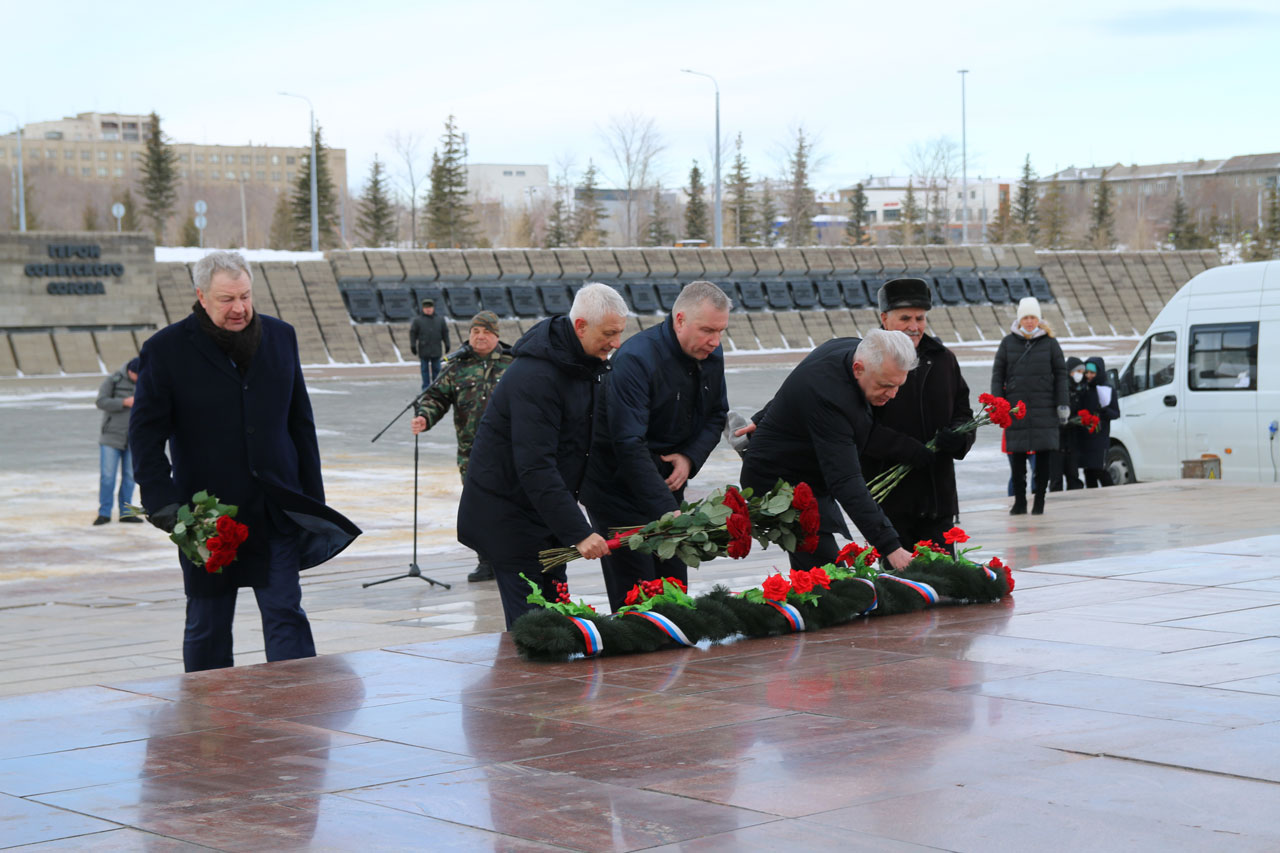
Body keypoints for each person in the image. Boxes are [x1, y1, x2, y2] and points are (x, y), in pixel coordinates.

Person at [130, 250, 360, 672]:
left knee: (286, 613)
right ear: (201, 296)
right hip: (208, 516)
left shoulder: (280, 336)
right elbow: (144, 436)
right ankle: (206, 719)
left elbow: (300, 424)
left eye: (245, 296)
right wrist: (163, 503)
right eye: (226, 299)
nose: (239, 308)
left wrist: (311, 500)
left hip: (275, 507)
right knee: (207, 625)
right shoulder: (165, 350)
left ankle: (296, 705)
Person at [457, 283, 627, 629]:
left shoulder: (583, 365)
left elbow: (585, 448)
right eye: (609, 334)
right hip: (509, 519)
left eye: (620, 333)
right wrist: (579, 532)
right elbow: (535, 465)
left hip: (545, 519)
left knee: (556, 621)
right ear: (580, 326)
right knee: (533, 630)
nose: (616, 344)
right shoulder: (536, 376)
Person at [580, 281, 730, 611]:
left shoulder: (710, 354)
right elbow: (627, 442)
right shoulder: (637, 359)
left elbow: (717, 413)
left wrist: (689, 459)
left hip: (666, 481)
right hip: (616, 486)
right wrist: (669, 510)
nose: (714, 341)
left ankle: (672, 657)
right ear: (679, 320)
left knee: (672, 588)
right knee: (637, 594)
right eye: (707, 330)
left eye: (720, 331)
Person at [739, 329, 918, 573]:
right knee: (824, 572)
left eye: (899, 385)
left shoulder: (855, 347)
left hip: (810, 467)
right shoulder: (833, 399)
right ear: (858, 368)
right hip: (778, 478)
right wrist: (890, 547)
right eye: (885, 385)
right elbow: (845, 479)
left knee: (827, 568)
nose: (893, 394)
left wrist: (764, 416)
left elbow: (799, 378)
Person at [858, 279, 975, 555]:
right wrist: (904, 449)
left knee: (944, 581)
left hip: (938, 496)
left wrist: (958, 438)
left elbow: (963, 412)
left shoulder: (944, 359)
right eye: (905, 318)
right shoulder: (866, 360)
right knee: (902, 586)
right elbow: (858, 426)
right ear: (884, 319)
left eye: (920, 318)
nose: (914, 326)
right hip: (891, 498)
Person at [410, 310, 513, 582]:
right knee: (478, 509)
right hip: (472, 453)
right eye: (475, 332)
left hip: (510, 452)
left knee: (511, 507)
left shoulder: (513, 363)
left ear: (496, 335)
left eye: (486, 332)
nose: (479, 337)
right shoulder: (457, 366)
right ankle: (486, 562)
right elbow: (435, 397)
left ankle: (513, 559)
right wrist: (424, 417)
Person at [991, 296, 1067, 516]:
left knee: (1043, 458)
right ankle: (1020, 501)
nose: (1030, 321)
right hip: (1017, 409)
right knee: (1017, 458)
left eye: (1033, 317)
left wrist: (1063, 404)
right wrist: (999, 403)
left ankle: (1040, 501)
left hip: (1045, 407)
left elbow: (1061, 374)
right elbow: (998, 375)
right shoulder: (1008, 343)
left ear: (1039, 319)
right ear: (1020, 319)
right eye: (1026, 317)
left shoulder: (1050, 343)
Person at [94, 357, 142, 525]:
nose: (139, 377)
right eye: (136, 374)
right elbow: (100, 401)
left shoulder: (147, 381)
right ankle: (104, 513)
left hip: (134, 439)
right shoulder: (113, 380)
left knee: (130, 477)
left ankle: (126, 513)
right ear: (129, 371)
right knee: (108, 477)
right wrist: (124, 402)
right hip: (111, 437)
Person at [1078, 358, 1120, 487]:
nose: (1089, 376)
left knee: (1100, 470)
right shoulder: (1083, 389)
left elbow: (1116, 413)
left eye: (1092, 373)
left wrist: (1104, 410)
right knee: (1088, 471)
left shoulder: (1107, 389)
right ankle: (1093, 500)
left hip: (1100, 437)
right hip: (1085, 436)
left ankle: (1110, 494)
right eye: (1087, 372)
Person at [409, 298, 450, 390]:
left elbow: (445, 333)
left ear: (433, 308)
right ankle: (426, 387)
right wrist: (413, 345)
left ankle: (437, 387)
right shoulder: (418, 320)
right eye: (426, 308)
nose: (428, 309)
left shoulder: (440, 320)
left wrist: (447, 344)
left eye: (430, 307)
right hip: (424, 350)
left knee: (437, 369)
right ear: (423, 309)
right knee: (424, 370)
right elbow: (413, 333)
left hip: (436, 349)